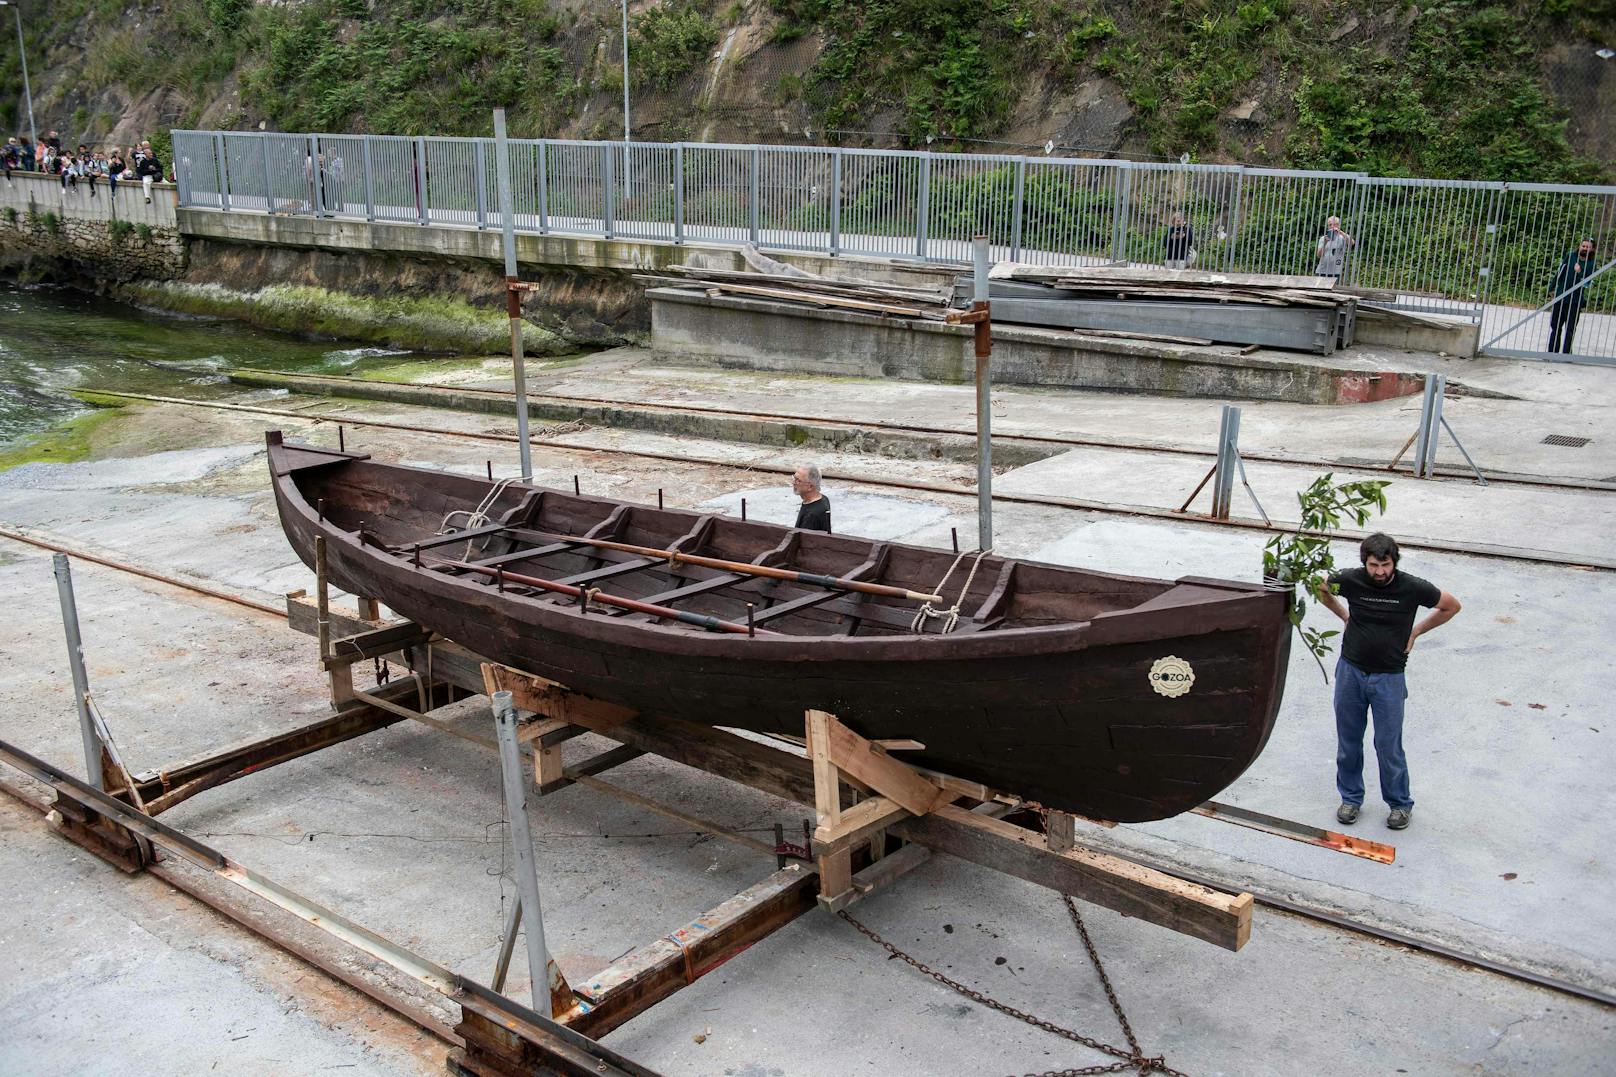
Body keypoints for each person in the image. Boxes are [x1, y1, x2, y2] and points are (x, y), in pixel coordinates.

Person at [1314, 533, 1460, 831]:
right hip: (1351, 673)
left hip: (1389, 677)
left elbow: (1451, 606)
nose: (1379, 572)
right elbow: (1321, 587)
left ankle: (1399, 804)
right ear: (1363, 563)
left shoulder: (1412, 587)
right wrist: (1344, 616)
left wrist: (1416, 631)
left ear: (1394, 562)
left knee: (1389, 744)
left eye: (1385, 564)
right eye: (1373, 565)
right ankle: (1351, 799)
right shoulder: (1351, 581)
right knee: (1349, 741)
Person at [1547, 238, 1598, 354]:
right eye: (1583, 246)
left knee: (1570, 329)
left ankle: (1566, 354)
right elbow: (1559, 272)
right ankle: (1552, 352)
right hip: (1561, 297)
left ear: (1592, 249)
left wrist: (1580, 272)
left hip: (1575, 301)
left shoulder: (1592, 264)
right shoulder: (1570, 257)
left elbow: (1587, 284)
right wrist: (1552, 288)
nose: (1585, 248)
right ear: (1579, 246)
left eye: (1588, 247)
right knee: (1555, 327)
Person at [792, 464, 831, 533]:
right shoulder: (824, 499)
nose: (793, 483)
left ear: (810, 487)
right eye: (794, 478)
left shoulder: (811, 516)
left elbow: (803, 541)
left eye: (798, 480)